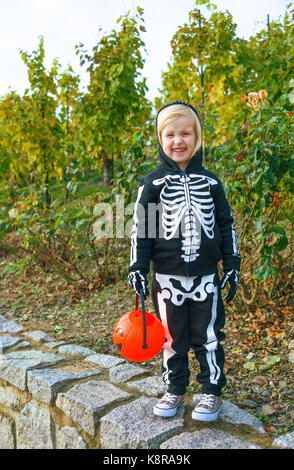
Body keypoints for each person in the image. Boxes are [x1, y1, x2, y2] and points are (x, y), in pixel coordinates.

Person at [128, 101, 241, 421]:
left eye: (186, 133)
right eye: (170, 134)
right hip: (167, 278)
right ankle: (175, 388)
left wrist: (232, 263)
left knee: (208, 336)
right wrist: (137, 266)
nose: (178, 141)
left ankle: (211, 392)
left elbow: (225, 224)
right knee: (172, 338)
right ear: (161, 140)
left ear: (198, 137)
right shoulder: (152, 183)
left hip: (206, 276)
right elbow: (141, 228)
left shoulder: (212, 183)